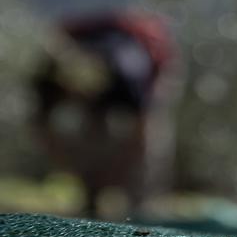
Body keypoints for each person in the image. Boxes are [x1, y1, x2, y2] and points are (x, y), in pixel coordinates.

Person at [31, 11, 178, 219]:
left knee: (150, 146)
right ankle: (90, 202)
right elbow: (40, 127)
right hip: (101, 75)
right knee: (91, 136)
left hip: (151, 67)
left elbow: (141, 136)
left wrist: (114, 175)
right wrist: (73, 169)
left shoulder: (128, 76)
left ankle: (143, 210)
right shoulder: (49, 77)